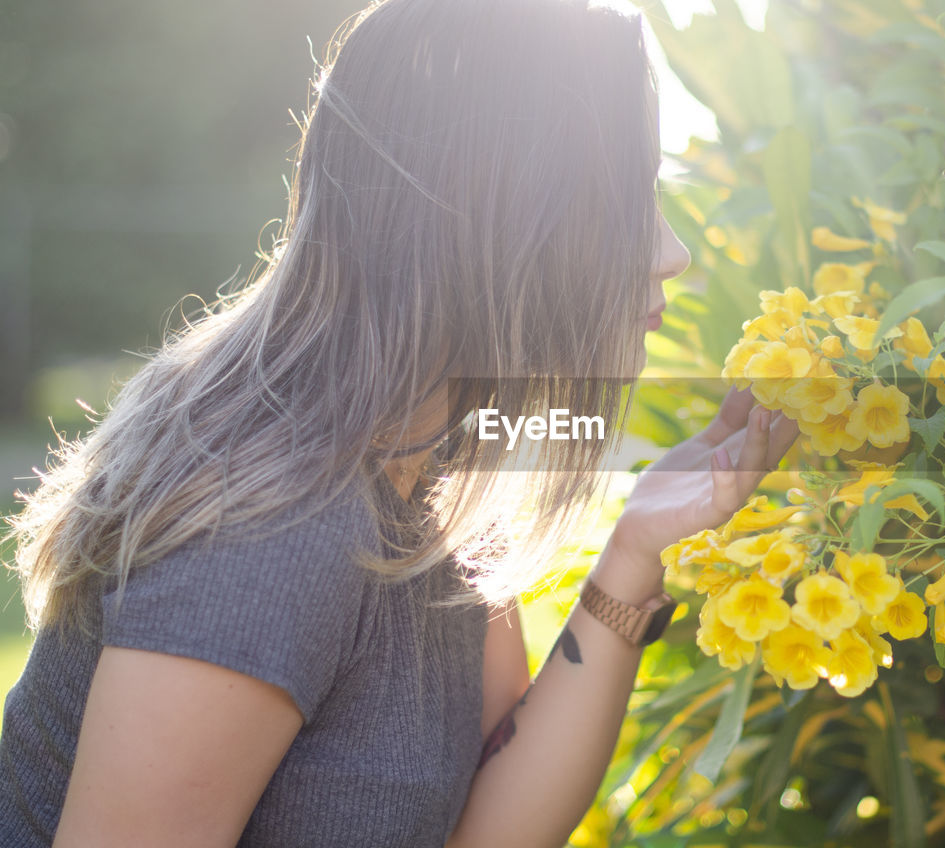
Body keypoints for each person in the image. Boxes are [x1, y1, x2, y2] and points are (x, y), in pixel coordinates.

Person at [0, 0, 798, 845]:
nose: (670, 250)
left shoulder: (430, 464)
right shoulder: (271, 529)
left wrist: (636, 552)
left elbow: (485, 825)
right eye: (625, 198)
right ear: (496, 215)